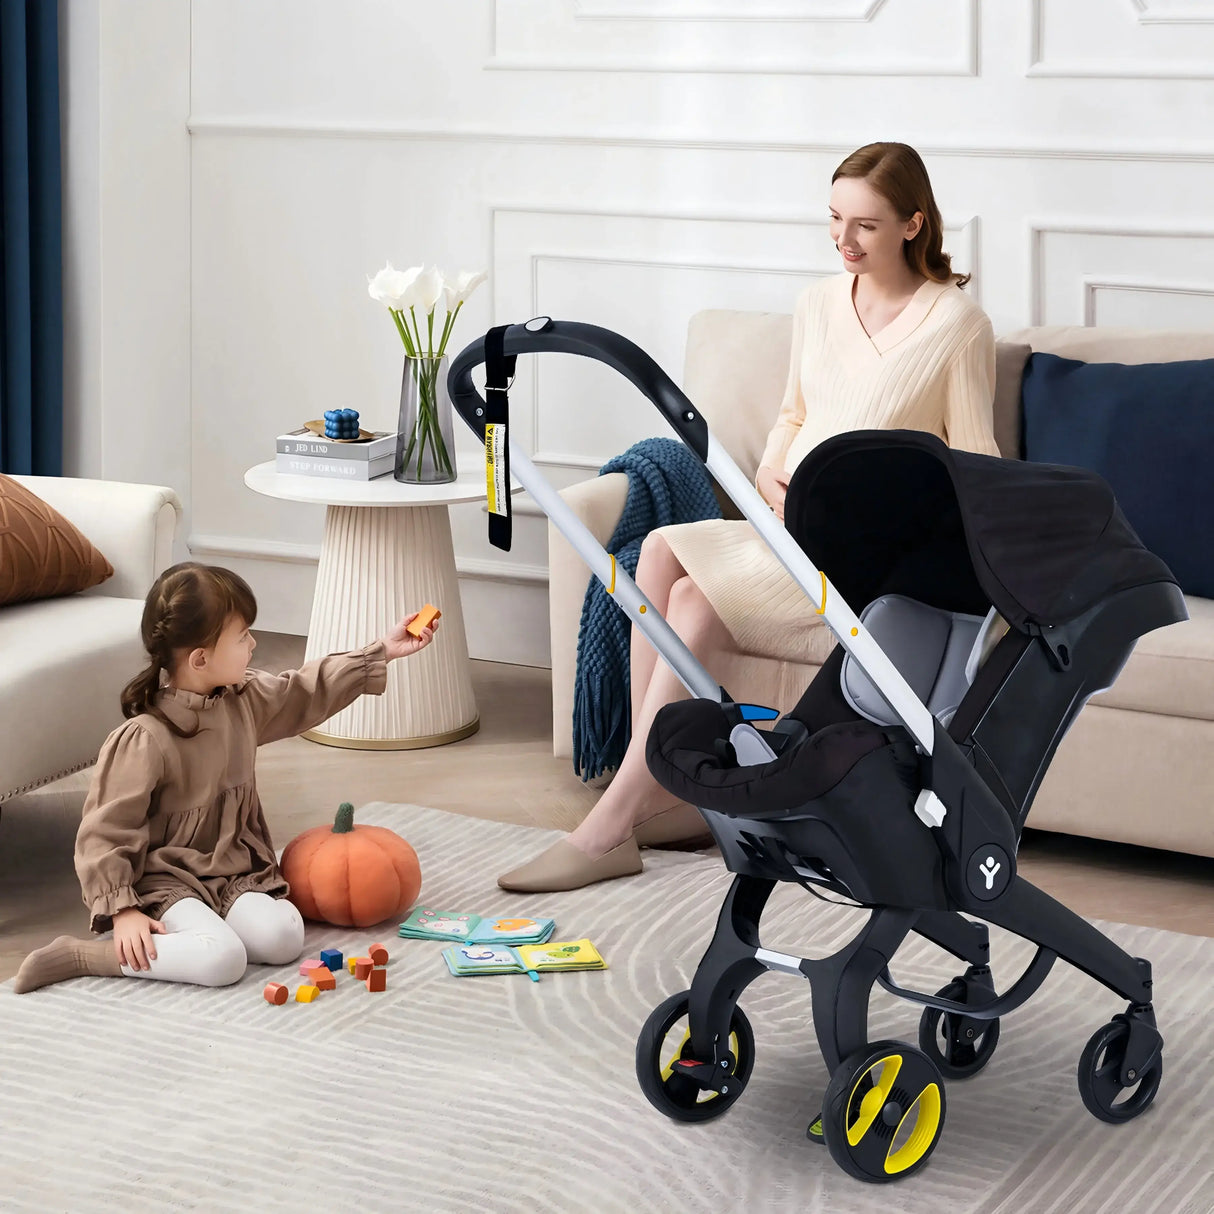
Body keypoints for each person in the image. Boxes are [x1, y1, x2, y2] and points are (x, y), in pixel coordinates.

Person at [499, 141, 1001, 894]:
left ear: (913, 223)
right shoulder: (817, 304)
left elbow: (976, 463)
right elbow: (796, 414)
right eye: (834, 218)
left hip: (865, 553)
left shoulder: (956, 324)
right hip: (789, 521)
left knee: (696, 596)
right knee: (660, 553)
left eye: (866, 224)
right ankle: (662, 788)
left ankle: (612, 824)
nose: (845, 240)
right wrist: (769, 470)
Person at [13, 561, 438, 993]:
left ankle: (207, 927)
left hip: (234, 869)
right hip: (167, 879)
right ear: (201, 659)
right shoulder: (144, 739)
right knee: (223, 960)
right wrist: (122, 911)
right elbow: (104, 834)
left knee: (283, 937)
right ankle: (87, 954)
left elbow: (305, 690)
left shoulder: (243, 701)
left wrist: (381, 650)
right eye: (242, 637)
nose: (253, 644)